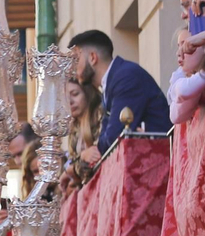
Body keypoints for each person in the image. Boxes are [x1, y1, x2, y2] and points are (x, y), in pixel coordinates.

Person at [67, 29, 169, 161]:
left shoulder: (126, 77)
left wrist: (93, 151)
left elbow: (114, 136)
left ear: (92, 58)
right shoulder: (111, 82)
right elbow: (106, 135)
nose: (71, 68)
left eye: (75, 60)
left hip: (159, 161)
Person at [60, 76, 103, 193]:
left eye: (75, 94)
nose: (70, 101)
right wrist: (74, 167)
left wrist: (72, 170)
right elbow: (76, 167)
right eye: (66, 97)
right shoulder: (74, 129)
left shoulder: (99, 115)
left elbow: (94, 161)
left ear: (87, 94)